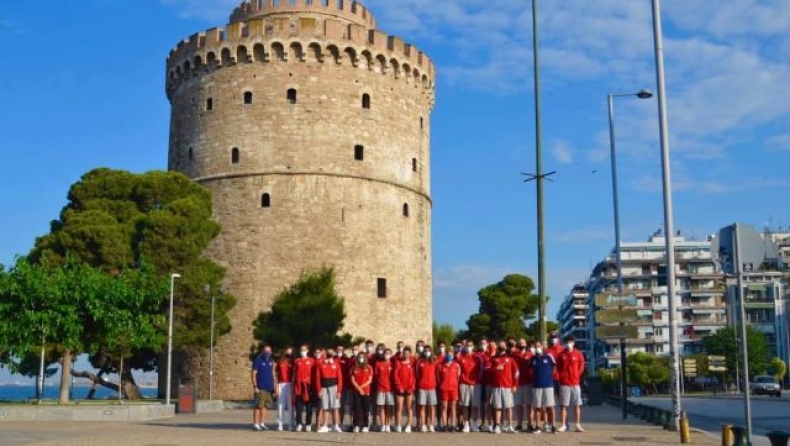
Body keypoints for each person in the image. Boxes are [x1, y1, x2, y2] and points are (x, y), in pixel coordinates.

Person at [557, 335, 585, 432]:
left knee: (577, 404)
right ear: (564, 343)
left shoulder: (578, 354)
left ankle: (577, 424)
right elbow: (558, 368)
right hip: (564, 383)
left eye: (570, 342)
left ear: (573, 343)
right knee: (564, 405)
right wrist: (561, 377)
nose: (568, 344)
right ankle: (564, 424)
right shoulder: (561, 355)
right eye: (567, 342)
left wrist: (577, 374)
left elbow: (581, 365)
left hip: (575, 383)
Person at [488, 343, 519, 434]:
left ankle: (510, 425)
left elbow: (516, 373)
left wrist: (515, 385)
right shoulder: (493, 359)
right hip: (497, 386)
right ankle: (497, 425)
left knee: (509, 407)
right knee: (498, 407)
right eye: (500, 345)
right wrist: (495, 368)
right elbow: (488, 370)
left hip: (508, 386)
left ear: (505, 347)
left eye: (503, 345)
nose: (501, 346)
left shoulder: (510, 359)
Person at [531, 341, 557, 434]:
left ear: (542, 346)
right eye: (535, 346)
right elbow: (531, 370)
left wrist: (550, 375)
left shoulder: (548, 356)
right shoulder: (532, 358)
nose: (537, 348)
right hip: (536, 385)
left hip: (548, 385)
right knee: (537, 407)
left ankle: (553, 426)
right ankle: (538, 426)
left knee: (550, 406)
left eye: (538, 346)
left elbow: (554, 366)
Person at [315, 348, 344, 433]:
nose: (330, 353)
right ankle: (325, 425)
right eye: (328, 352)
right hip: (324, 388)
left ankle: (336, 425)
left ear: (334, 353)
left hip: (334, 387)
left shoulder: (336, 364)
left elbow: (340, 378)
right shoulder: (321, 364)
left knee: (335, 407)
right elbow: (317, 378)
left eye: (331, 352)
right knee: (325, 407)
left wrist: (339, 391)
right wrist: (319, 390)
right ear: (325, 353)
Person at [457, 340, 483, 432]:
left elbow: (481, 371)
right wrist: (461, 349)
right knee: (465, 405)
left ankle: (474, 424)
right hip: (463, 384)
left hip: (475, 385)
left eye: (470, 345)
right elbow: (457, 368)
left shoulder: (478, 358)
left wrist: (477, 381)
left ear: (473, 347)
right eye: (467, 345)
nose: (469, 347)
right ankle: (466, 424)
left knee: (475, 406)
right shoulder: (460, 357)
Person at [251, 345, 277, 432]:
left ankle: (262, 423)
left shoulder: (271, 361)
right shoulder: (258, 360)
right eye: (266, 351)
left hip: (269, 388)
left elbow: (273, 374)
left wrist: (275, 387)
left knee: (266, 406)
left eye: (269, 351)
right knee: (258, 406)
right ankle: (255, 424)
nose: (267, 353)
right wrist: (255, 386)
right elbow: (253, 374)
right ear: (263, 351)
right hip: (260, 388)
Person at [437, 349, 461, 433]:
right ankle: (444, 425)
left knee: (453, 408)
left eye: (451, 354)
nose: (449, 356)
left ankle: (453, 425)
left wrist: (454, 385)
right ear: (445, 355)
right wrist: (443, 386)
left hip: (454, 389)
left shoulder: (456, 365)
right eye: (448, 354)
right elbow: (439, 379)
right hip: (444, 390)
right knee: (444, 408)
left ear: (453, 355)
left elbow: (458, 378)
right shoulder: (440, 366)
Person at [293, 344, 315, 432]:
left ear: (308, 350)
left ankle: (308, 424)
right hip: (298, 387)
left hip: (308, 387)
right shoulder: (297, 361)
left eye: (304, 350)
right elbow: (294, 373)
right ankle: (299, 424)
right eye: (301, 350)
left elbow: (315, 373)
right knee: (298, 408)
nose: (303, 351)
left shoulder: (312, 360)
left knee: (309, 408)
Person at [393, 346, 416, 433]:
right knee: (399, 407)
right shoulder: (398, 363)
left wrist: (411, 388)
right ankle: (398, 425)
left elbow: (414, 377)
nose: (406, 355)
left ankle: (408, 425)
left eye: (407, 353)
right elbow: (395, 376)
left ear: (410, 354)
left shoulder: (412, 363)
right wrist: (399, 387)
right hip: (400, 389)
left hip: (409, 389)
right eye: (404, 353)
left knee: (409, 407)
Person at [415, 347, 438, 432]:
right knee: (422, 406)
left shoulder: (434, 361)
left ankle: (431, 424)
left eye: (428, 351)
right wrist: (421, 382)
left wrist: (434, 383)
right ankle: (423, 424)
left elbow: (437, 373)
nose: (427, 352)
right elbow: (417, 374)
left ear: (431, 352)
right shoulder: (419, 362)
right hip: (422, 387)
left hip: (432, 387)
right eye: (425, 351)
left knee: (432, 407)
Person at [350, 352, 373, 433]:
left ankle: (365, 425)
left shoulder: (369, 367)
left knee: (365, 409)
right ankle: (356, 425)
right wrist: (359, 388)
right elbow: (352, 380)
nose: (361, 358)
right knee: (356, 408)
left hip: (366, 391)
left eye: (362, 357)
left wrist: (362, 388)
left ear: (365, 358)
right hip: (356, 391)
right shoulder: (354, 367)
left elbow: (370, 380)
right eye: (359, 357)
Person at [515, 341, 535, 432]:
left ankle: (530, 424)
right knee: (519, 405)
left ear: (526, 344)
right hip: (518, 383)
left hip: (528, 383)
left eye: (523, 343)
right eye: (520, 343)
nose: (522, 345)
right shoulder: (515, 355)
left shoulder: (530, 355)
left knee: (529, 405)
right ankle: (519, 424)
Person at [373, 347, 395, 432]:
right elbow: (376, 376)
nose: (387, 355)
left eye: (389, 353)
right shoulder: (378, 364)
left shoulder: (393, 364)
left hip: (390, 389)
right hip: (380, 388)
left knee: (388, 407)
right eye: (386, 353)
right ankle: (382, 424)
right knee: (381, 407)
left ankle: (387, 424)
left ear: (391, 355)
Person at [275, 346, 295, 431]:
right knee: (280, 405)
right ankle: (280, 424)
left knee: (291, 405)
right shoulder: (279, 362)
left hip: (290, 384)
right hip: (281, 384)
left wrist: (294, 386)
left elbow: (295, 374)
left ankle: (291, 423)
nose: (289, 353)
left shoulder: (294, 362)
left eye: (290, 352)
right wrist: (276, 387)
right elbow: (275, 374)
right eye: (288, 351)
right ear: (285, 352)